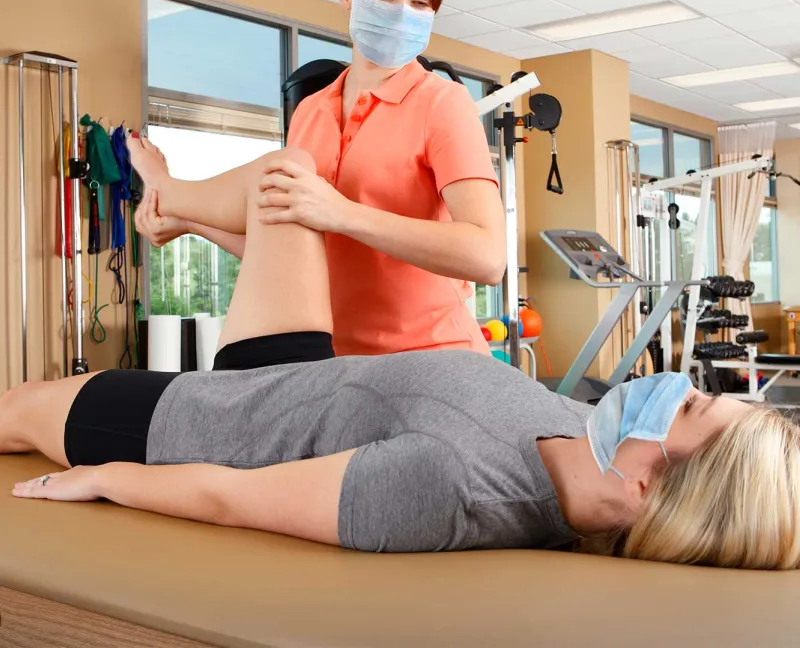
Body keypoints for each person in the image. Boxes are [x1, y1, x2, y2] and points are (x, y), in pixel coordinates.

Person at [4, 145, 799, 570]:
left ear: (647, 489)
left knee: (14, 408)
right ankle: (167, 205)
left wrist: (106, 478)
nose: (669, 386)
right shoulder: (586, 427)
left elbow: (230, 496)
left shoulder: (448, 489)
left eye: (690, 407)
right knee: (286, 180)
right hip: (293, 371)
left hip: (203, 421)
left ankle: (172, 210)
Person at [136, 0, 505, 357]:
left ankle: (173, 191)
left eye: (420, 2)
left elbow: (487, 257)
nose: (402, 12)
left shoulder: (443, 103)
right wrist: (191, 225)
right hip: (338, 365)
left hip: (433, 358)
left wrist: (342, 213)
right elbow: (288, 243)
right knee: (284, 174)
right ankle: (176, 199)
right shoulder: (312, 110)